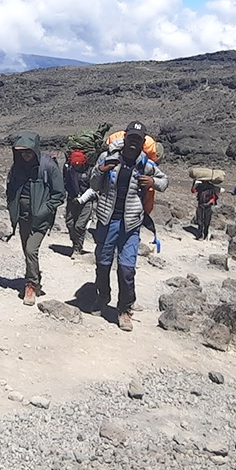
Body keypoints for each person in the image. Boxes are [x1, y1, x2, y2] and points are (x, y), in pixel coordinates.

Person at [80, 123, 168, 331]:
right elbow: (93, 184)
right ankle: (103, 297)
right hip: (107, 220)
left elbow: (165, 181)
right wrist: (101, 170)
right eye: (131, 137)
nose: (133, 142)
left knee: (127, 269)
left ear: (142, 141)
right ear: (126, 137)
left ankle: (125, 309)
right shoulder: (107, 157)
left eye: (138, 139)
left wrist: (152, 182)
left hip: (131, 223)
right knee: (103, 263)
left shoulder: (144, 163)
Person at [6, 132, 65, 305]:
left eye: (28, 152)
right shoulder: (17, 167)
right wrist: (12, 205)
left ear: (35, 150)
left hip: (41, 218)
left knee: (31, 250)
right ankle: (35, 276)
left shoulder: (48, 167)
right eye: (22, 152)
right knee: (27, 250)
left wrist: (44, 210)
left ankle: (30, 285)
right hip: (23, 217)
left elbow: (59, 194)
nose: (25, 155)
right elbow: (11, 187)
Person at [63, 149, 94, 255]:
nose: (76, 167)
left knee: (80, 226)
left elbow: (93, 188)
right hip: (72, 199)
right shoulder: (68, 169)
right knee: (70, 223)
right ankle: (75, 242)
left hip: (86, 201)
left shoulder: (91, 171)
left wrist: (82, 199)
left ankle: (77, 247)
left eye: (79, 165)